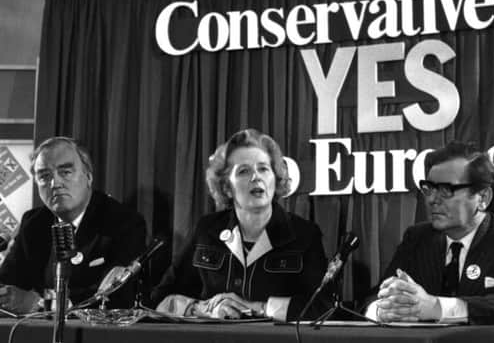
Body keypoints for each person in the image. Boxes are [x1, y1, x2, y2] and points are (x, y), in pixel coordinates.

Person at [366, 141, 494, 343]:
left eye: (445, 190)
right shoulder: (417, 238)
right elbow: (374, 297)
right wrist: (383, 309)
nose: (432, 199)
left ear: (483, 197)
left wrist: (437, 307)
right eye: (429, 188)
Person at [152, 129, 330, 322]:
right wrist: (204, 308)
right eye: (244, 171)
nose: (256, 177)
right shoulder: (206, 230)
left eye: (263, 169)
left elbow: (322, 307)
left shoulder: (304, 235)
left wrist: (258, 308)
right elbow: (159, 298)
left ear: (275, 178)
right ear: (227, 187)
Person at [0, 136, 147, 313]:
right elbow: (9, 283)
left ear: (88, 177)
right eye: (44, 176)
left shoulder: (123, 222)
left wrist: (42, 304)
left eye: (66, 172)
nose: (55, 184)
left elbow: (119, 296)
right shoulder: (34, 223)